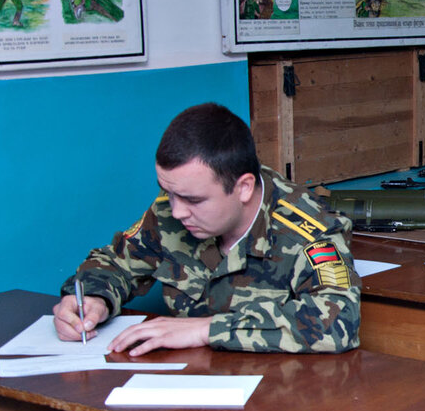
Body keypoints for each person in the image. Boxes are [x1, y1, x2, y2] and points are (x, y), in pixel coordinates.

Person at [53, 103, 360, 355]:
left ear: (243, 188)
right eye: (168, 192)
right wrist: (93, 299)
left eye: (192, 199)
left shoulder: (309, 230)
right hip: (187, 387)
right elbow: (115, 262)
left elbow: (337, 321)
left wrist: (207, 329)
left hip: (276, 401)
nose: (176, 210)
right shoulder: (170, 211)